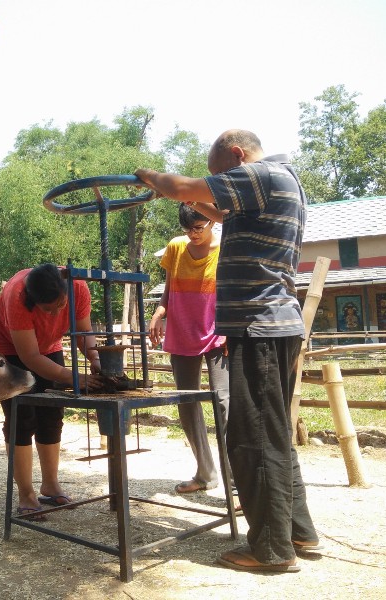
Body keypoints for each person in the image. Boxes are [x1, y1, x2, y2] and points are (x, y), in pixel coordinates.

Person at [135, 129, 320, 573]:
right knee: (272, 432)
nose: (218, 183)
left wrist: (147, 176)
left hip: (257, 327)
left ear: (238, 156)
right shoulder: (279, 180)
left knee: (251, 436)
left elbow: (180, 187)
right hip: (274, 325)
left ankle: (272, 550)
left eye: (220, 174)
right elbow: (216, 211)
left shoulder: (260, 174)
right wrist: (192, 202)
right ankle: (298, 530)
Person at [0, 263, 106, 520]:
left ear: (65, 291)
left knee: (52, 414)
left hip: (48, 346)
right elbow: (29, 356)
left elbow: (84, 331)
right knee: (22, 417)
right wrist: (74, 378)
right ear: (32, 299)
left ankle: (50, 485)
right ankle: (26, 494)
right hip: (8, 348)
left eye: (58, 305)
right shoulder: (17, 295)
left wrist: (96, 359)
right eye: (46, 308)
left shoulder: (78, 287)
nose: (52, 313)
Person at [149, 203, 229, 494]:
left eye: (199, 228)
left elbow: (232, 293)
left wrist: (231, 332)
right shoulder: (176, 248)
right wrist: (158, 314)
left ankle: (235, 483)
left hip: (218, 335)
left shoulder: (226, 248)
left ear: (212, 223)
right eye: (187, 229)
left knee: (224, 403)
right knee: (187, 404)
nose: (193, 234)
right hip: (182, 332)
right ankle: (205, 473)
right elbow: (168, 290)